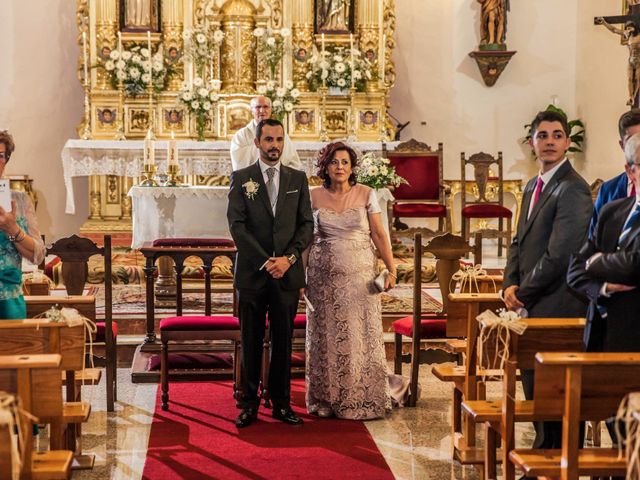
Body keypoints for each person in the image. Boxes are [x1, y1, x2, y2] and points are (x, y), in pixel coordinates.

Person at [502, 111, 592, 456]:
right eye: (543, 135)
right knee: (534, 385)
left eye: (557, 135)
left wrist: (523, 292)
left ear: (567, 142)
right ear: (532, 143)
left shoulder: (573, 189)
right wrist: (508, 284)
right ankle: (543, 457)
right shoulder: (531, 185)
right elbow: (518, 242)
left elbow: (562, 254)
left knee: (557, 393)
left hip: (559, 302)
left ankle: (559, 459)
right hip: (530, 302)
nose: (550, 141)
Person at [227, 119, 313, 428]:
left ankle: (281, 403)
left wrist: (288, 259)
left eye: (279, 139)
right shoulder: (241, 178)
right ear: (258, 143)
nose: (274, 144)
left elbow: (306, 225)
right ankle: (248, 403)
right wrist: (266, 261)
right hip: (253, 274)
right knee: (250, 339)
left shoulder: (298, 179)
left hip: (287, 274)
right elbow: (236, 226)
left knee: (283, 340)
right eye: (269, 139)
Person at [305, 142, 398, 420]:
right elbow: (307, 239)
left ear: (352, 166)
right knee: (328, 336)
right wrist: (302, 277)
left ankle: (364, 396)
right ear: (325, 167)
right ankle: (327, 398)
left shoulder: (367, 193)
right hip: (324, 277)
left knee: (361, 335)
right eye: (334, 162)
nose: (340, 167)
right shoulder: (313, 196)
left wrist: (391, 269)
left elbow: (379, 234)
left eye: (345, 162)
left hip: (361, 278)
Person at [568, 131, 640, 353]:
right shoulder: (612, 212)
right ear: (630, 171)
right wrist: (603, 287)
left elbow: (635, 265)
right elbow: (574, 270)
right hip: (600, 335)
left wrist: (596, 262)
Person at [0, 131, 46, 319]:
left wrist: (13, 229)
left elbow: (38, 255)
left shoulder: (19, 200)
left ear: (6, 159)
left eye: (0, 155)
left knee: (16, 347)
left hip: (9, 299)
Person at [590, 108, 640, 237]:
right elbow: (593, 239)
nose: (637, 146)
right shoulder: (607, 190)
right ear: (622, 145)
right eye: (631, 140)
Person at [230, 96, 301, 172]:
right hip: (252, 180)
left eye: (265, 107)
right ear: (252, 110)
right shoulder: (241, 135)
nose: (262, 110)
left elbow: (293, 162)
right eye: (258, 107)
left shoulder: (280, 132)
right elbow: (238, 164)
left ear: (271, 110)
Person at [596, 17, 640, 106]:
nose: (629, 30)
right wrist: (604, 22)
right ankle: (631, 97)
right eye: (627, 28)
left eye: (630, 28)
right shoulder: (627, 35)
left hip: (639, 61)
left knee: (637, 79)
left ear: (635, 27)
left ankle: (634, 97)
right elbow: (614, 30)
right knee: (630, 79)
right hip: (631, 60)